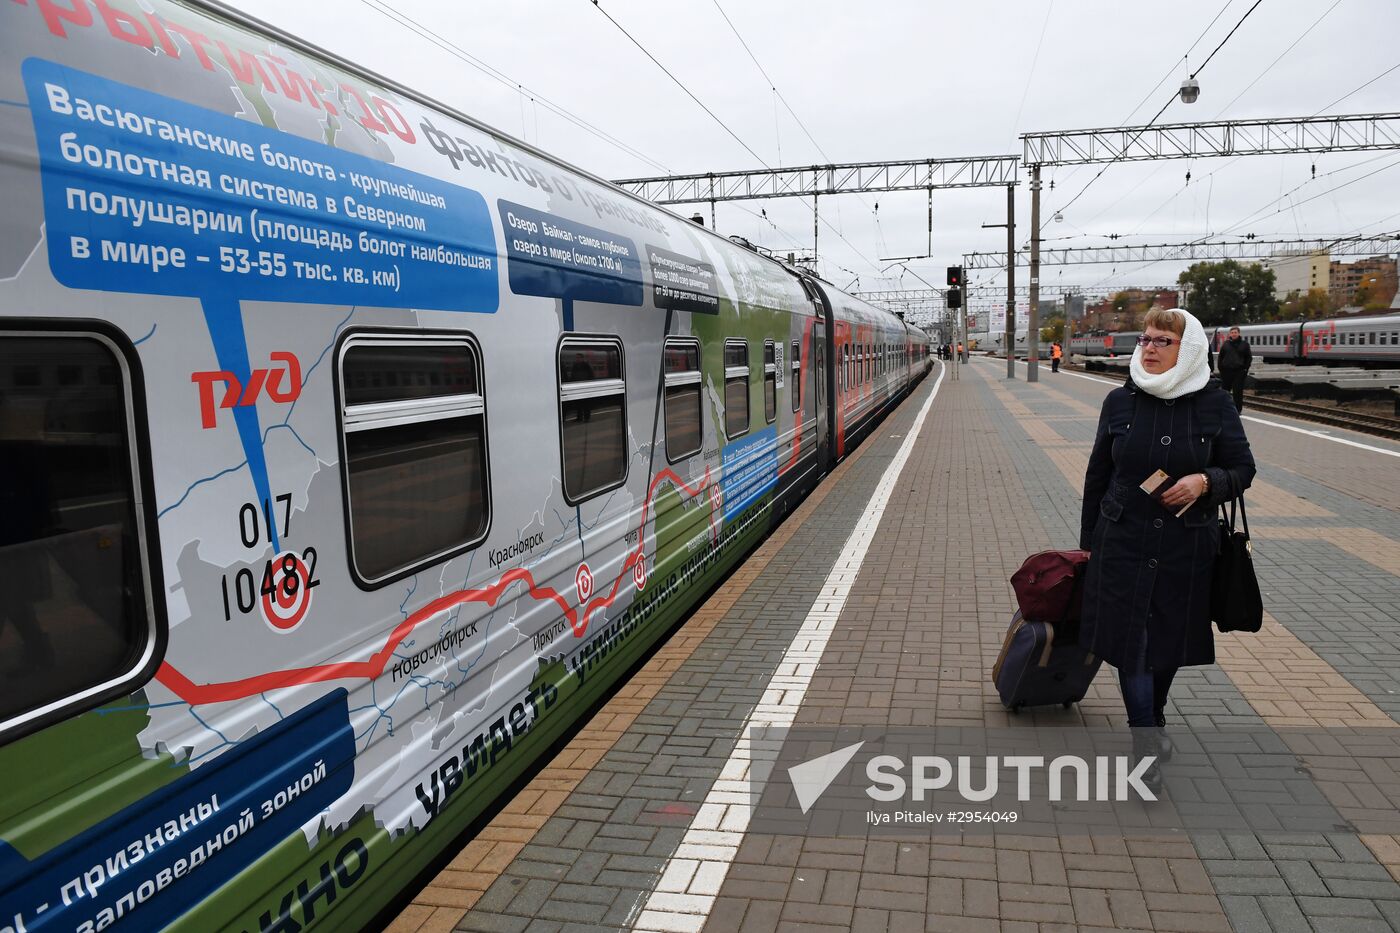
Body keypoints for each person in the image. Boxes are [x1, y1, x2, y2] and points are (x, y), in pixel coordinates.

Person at [1079, 308, 1256, 791]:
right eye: (1146, 339)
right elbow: (1098, 477)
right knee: (1132, 646)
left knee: (1167, 646)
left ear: (1190, 350)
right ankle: (1145, 745)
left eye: (1163, 341)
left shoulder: (1215, 406)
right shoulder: (1119, 402)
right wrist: (1089, 544)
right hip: (1122, 542)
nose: (1150, 348)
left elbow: (1243, 469)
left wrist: (1206, 481)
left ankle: (1152, 717)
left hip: (1187, 547)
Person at [1215, 325, 1252, 411]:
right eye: (1232, 333)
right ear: (1230, 334)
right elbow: (1221, 356)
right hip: (1226, 371)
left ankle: (1237, 410)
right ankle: (1224, 408)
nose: (1234, 334)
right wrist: (1221, 368)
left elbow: (1248, 358)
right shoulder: (1226, 344)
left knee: (1237, 392)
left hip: (1239, 371)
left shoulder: (1245, 345)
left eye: (1235, 332)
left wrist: (1245, 369)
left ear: (1239, 333)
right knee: (1225, 391)